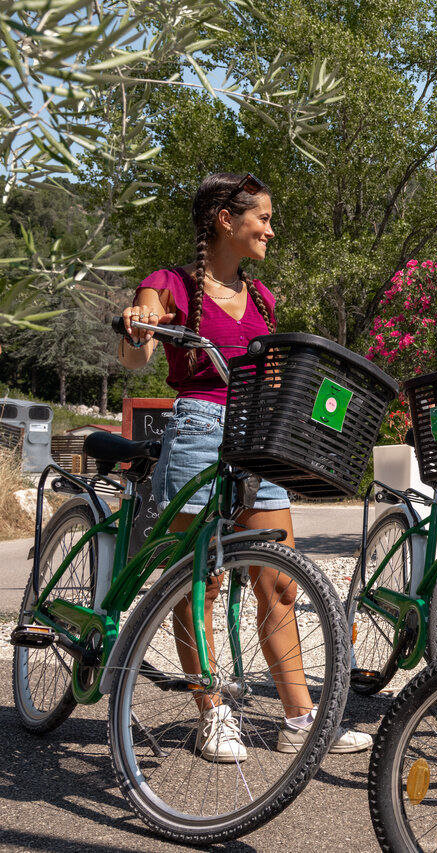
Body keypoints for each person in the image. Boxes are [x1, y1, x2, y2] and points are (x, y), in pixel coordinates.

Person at [118, 172, 371, 762]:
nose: (271, 229)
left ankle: (300, 718)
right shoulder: (171, 283)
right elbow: (140, 350)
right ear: (227, 220)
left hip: (260, 440)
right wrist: (137, 322)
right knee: (198, 584)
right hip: (200, 432)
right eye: (262, 217)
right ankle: (211, 712)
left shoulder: (262, 299)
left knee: (279, 580)